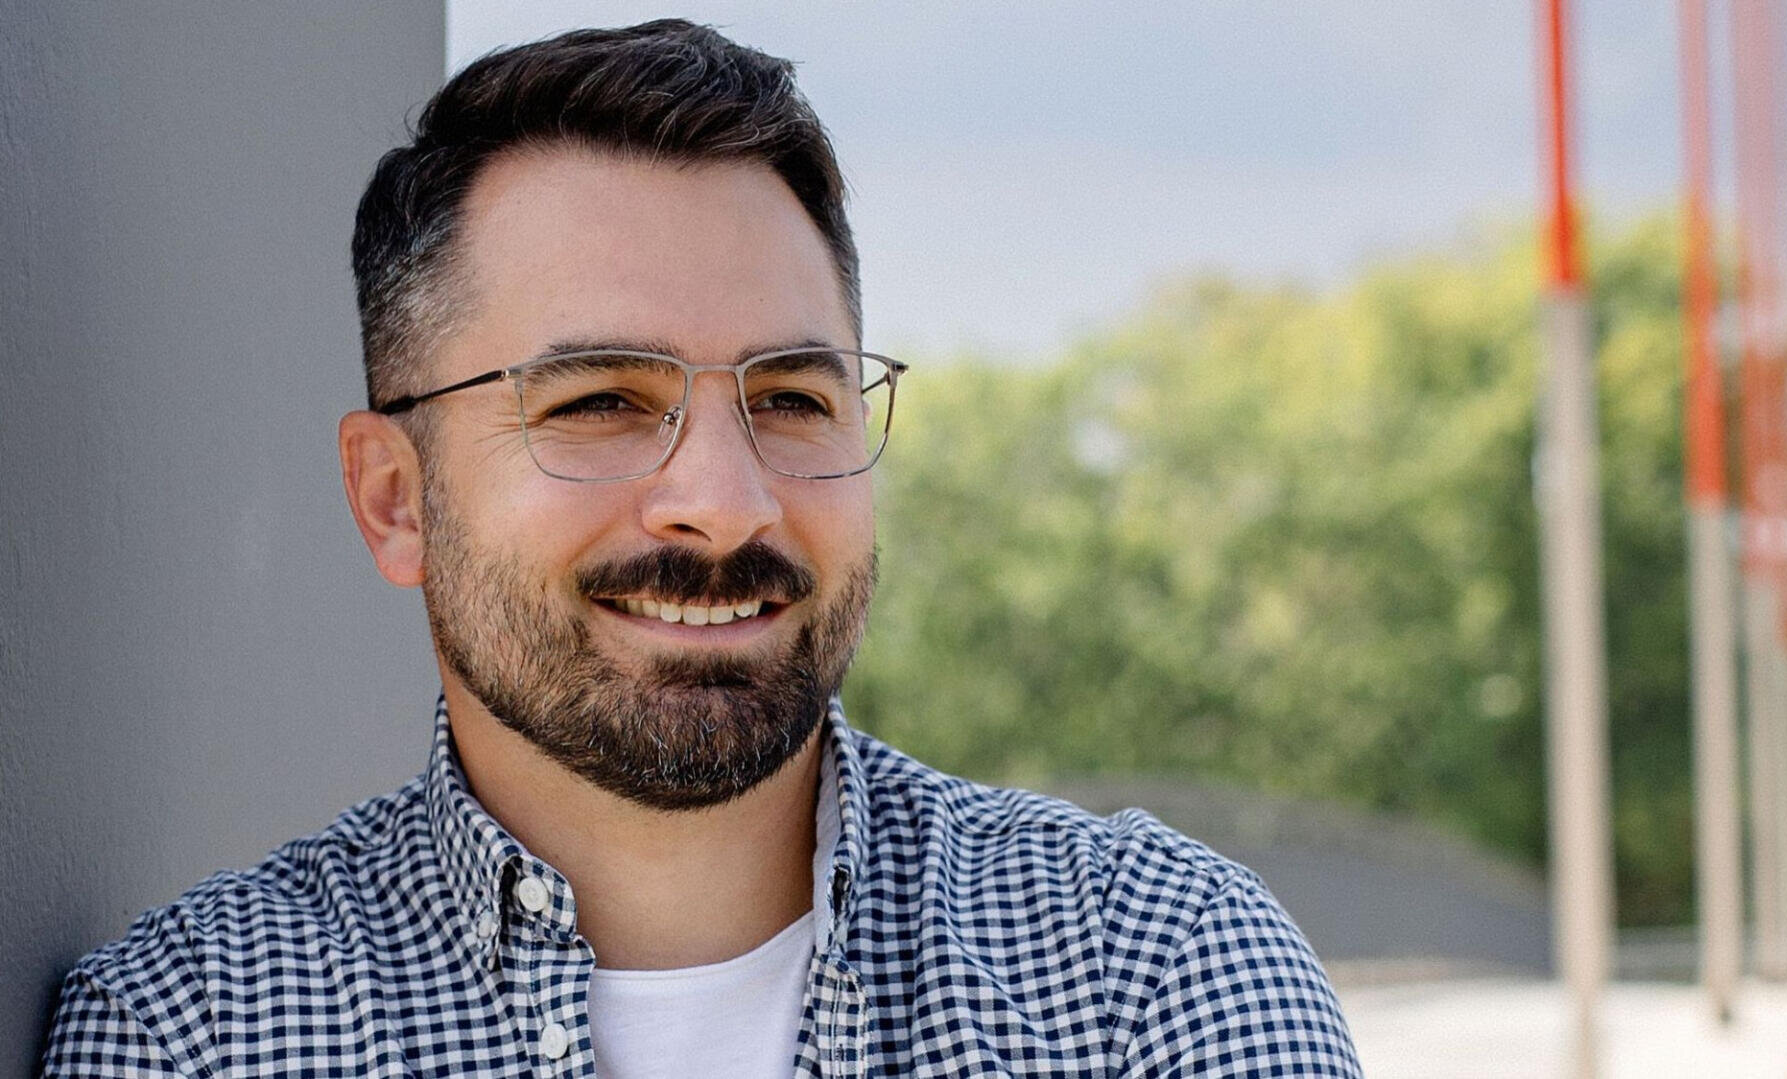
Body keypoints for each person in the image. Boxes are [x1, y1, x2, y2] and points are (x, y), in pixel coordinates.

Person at [44, 21, 1360, 1077]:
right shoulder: (199, 1032)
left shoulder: (1158, 973)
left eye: (793, 398)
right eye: (601, 402)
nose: (726, 504)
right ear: (397, 498)